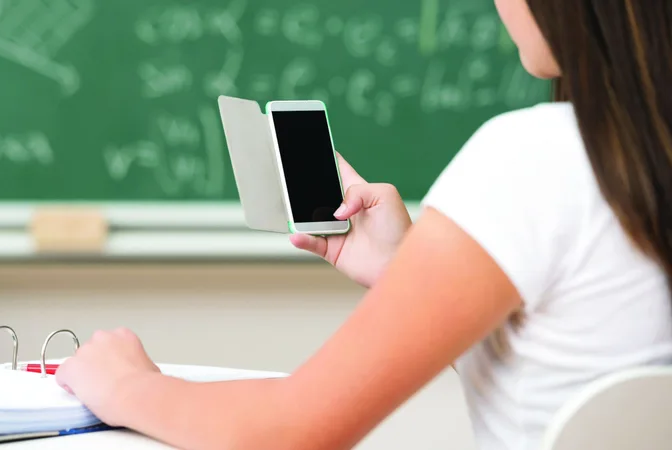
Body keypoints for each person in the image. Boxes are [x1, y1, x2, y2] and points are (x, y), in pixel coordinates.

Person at [55, 0, 672, 448]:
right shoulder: (636, 163)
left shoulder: (535, 159)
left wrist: (127, 386)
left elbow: (287, 432)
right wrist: (409, 272)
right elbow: (573, 363)